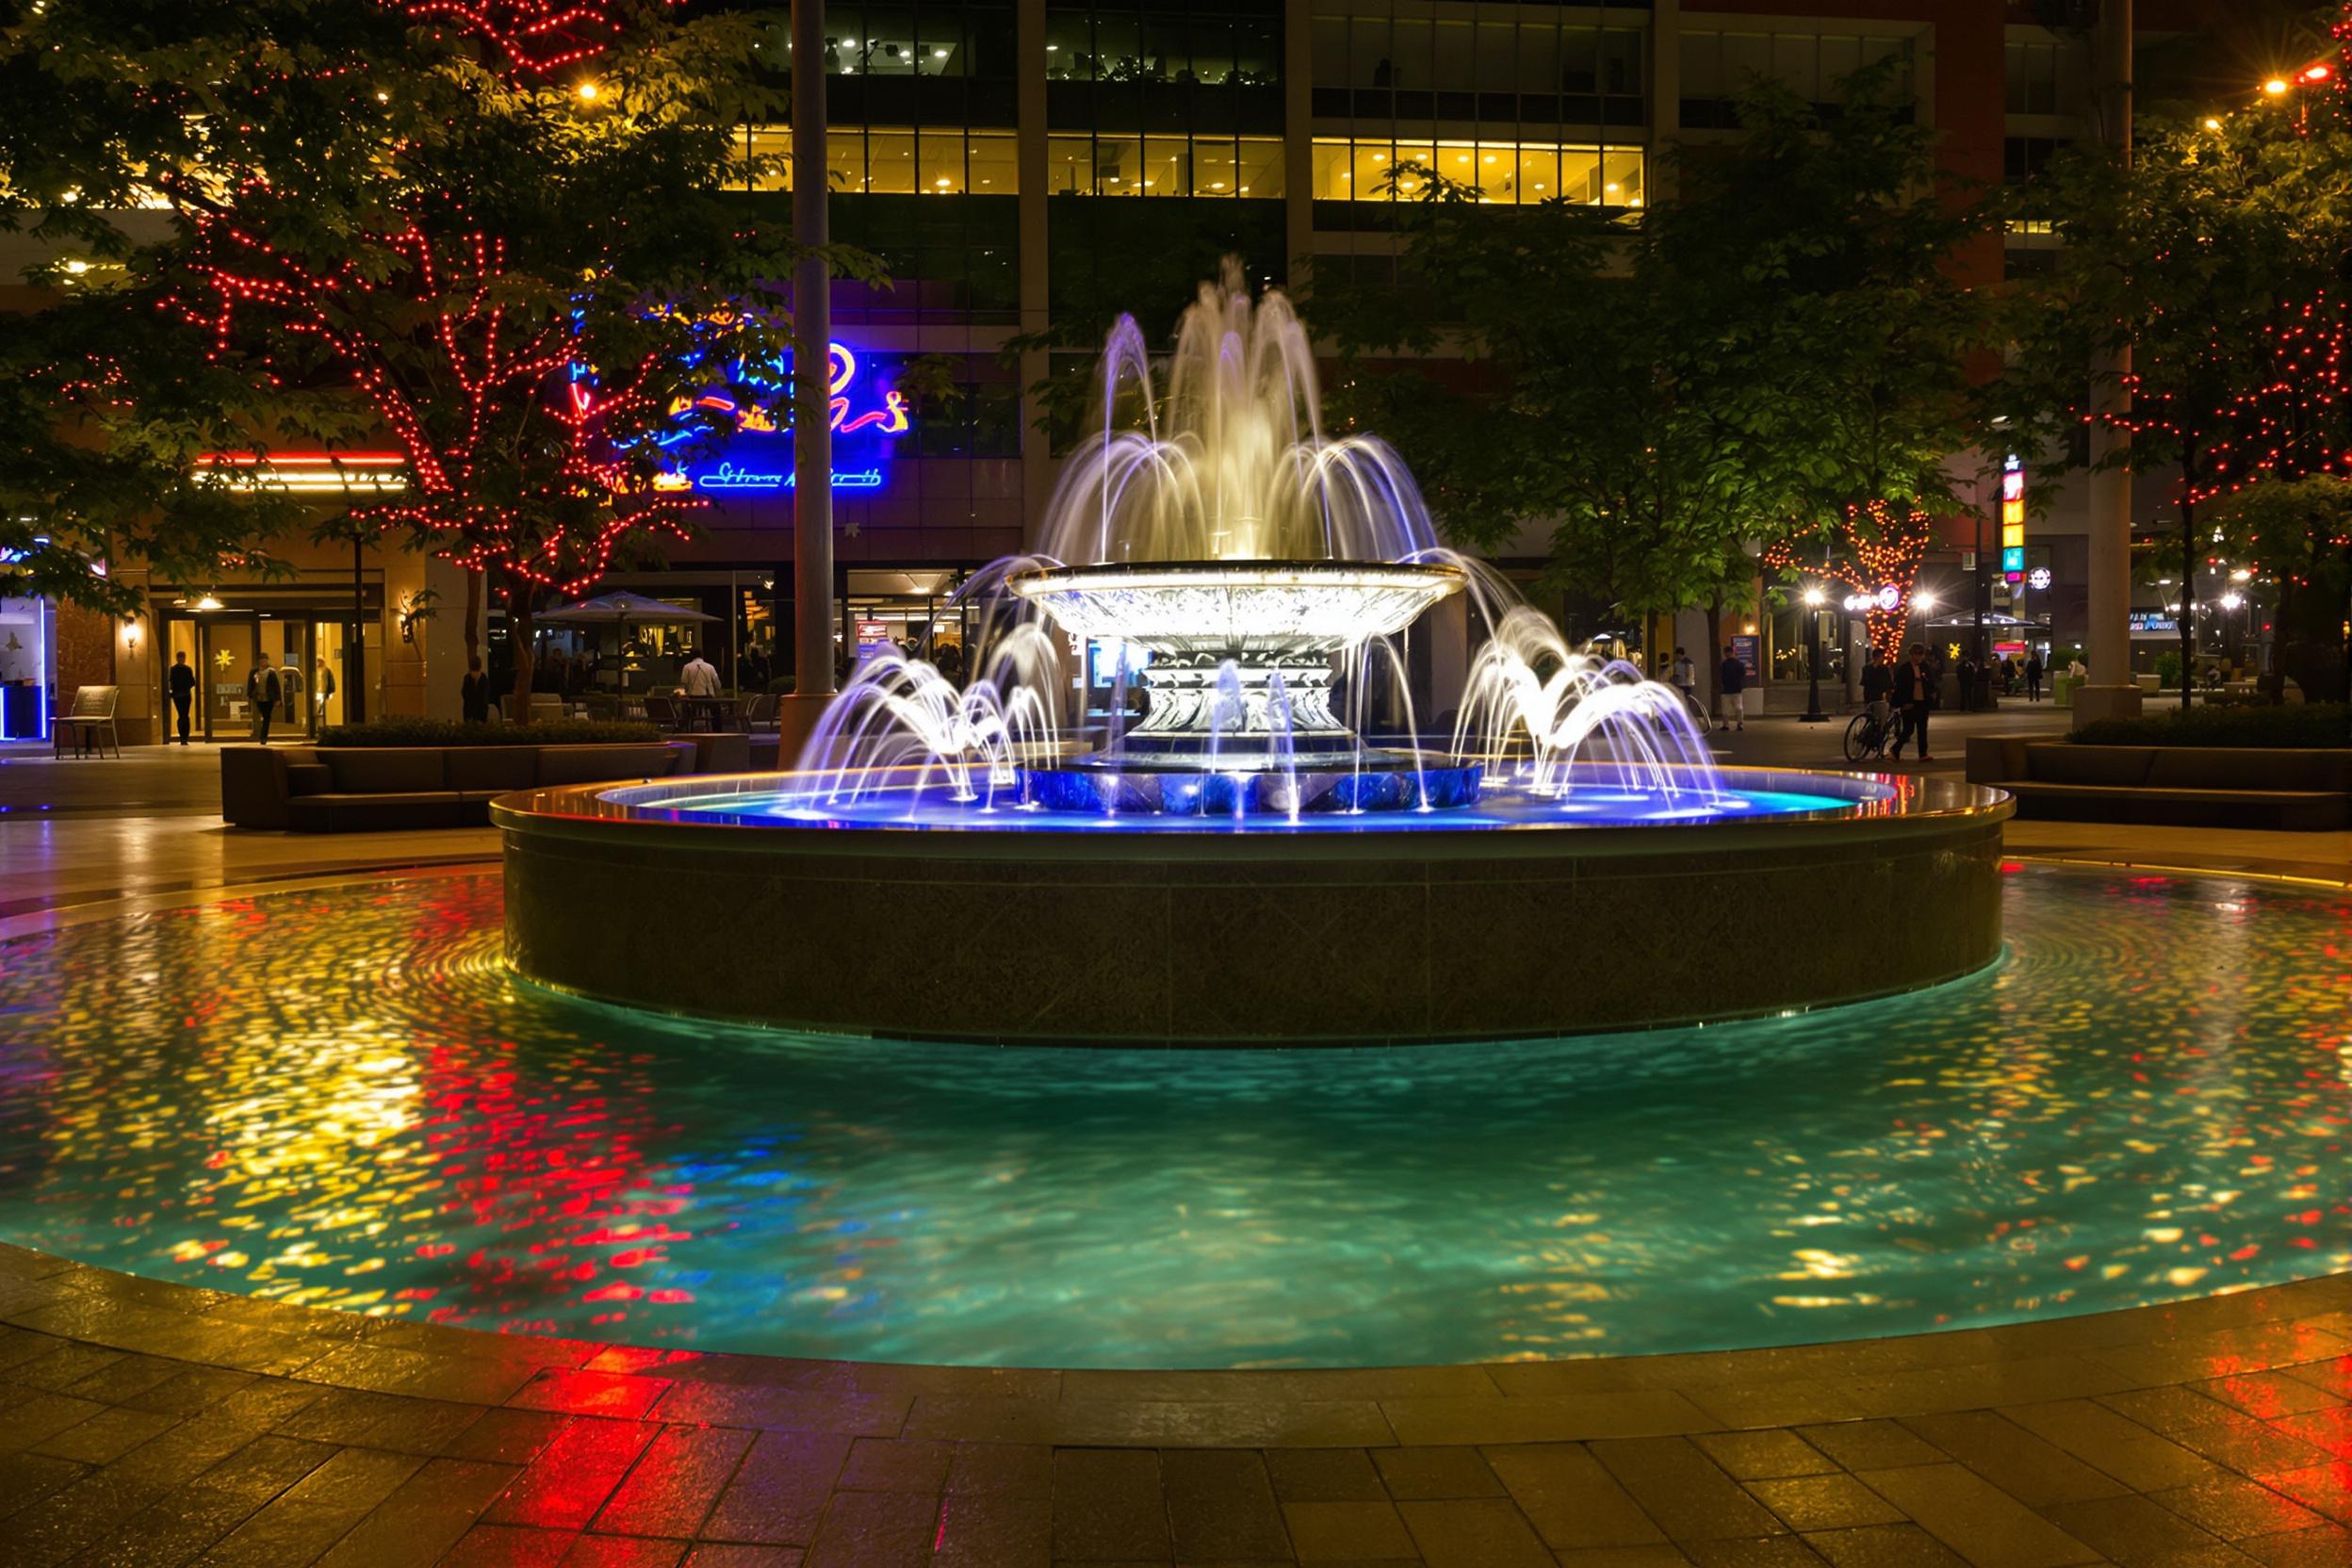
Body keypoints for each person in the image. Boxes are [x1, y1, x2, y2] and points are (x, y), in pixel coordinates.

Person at [1888, 643, 1935, 761]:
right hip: (1909, 703)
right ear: (1911, 655)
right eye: (1916, 654)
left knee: (1922, 728)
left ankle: (1923, 753)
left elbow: (1931, 683)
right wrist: (1904, 702)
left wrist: (1931, 694)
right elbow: (1901, 687)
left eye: (1920, 655)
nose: (1918, 657)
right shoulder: (1905, 669)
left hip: (1922, 702)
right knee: (1908, 729)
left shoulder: (1925, 667)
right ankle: (1895, 749)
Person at [245, 656, 281, 743]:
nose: (263, 663)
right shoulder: (255, 672)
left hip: (268, 698)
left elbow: (276, 686)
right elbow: (251, 683)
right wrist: (250, 694)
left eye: (265, 661)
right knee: (262, 716)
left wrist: (278, 699)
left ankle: (263, 737)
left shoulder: (271, 672)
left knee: (266, 717)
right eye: (261, 661)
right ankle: (260, 734)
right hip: (258, 697)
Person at [167, 649, 197, 744]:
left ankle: (181, 738)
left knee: (181, 716)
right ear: (184, 658)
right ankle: (185, 738)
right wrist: (186, 687)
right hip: (186, 695)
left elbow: (170, 682)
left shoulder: (173, 670)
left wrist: (172, 692)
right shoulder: (188, 669)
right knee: (185, 716)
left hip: (177, 696)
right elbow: (193, 682)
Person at [1716, 645, 1747, 731]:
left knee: (1725, 708)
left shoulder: (1724, 664)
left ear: (1726, 653)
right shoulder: (1739, 664)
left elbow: (1721, 676)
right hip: (1737, 688)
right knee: (1739, 707)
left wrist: (1721, 686)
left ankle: (1726, 725)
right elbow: (1743, 675)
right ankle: (1740, 723)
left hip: (1726, 689)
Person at [1860, 650, 1892, 729]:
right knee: (1878, 715)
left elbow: (1864, 682)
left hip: (1871, 694)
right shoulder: (1881, 669)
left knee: (1873, 715)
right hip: (1876, 694)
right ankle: (1874, 732)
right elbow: (1887, 682)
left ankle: (1873, 730)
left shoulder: (1867, 668)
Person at [461, 654, 493, 724]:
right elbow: (486, 694)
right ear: (480, 665)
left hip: (469, 710)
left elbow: (463, 693)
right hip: (481, 710)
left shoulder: (467, 678)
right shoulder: (484, 678)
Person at [313, 659, 335, 723]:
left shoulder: (327, 670)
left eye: (320, 661)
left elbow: (330, 681)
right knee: (317, 707)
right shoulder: (315, 670)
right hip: (317, 691)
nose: (319, 663)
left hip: (323, 691)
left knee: (322, 708)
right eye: (318, 661)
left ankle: (321, 722)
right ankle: (318, 722)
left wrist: (331, 691)